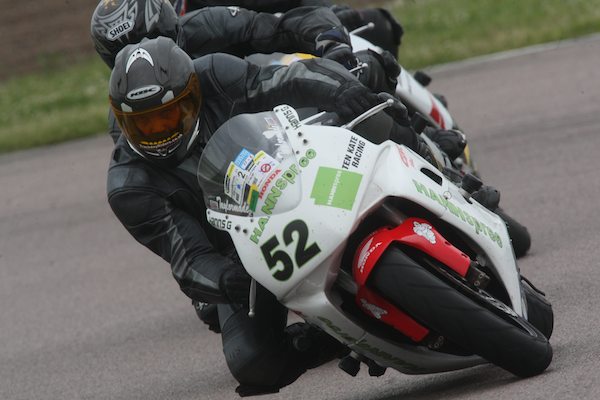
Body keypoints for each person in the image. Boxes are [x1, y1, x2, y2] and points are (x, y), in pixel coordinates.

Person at [107, 36, 424, 396]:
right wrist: (225, 279)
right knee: (253, 361)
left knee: (366, 97)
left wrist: (342, 91)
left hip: (295, 169)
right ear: (123, 122)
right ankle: (336, 337)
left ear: (191, 94)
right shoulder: (129, 187)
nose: (159, 131)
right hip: (241, 248)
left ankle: (442, 171)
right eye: (145, 125)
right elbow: (187, 258)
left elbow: (287, 79)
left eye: (167, 115)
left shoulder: (215, 75)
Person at [91, 0, 359, 143]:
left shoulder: (208, 24)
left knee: (365, 68)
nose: (145, 58)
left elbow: (282, 27)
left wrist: (332, 43)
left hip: (274, 91)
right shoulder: (125, 122)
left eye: (151, 42)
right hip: (236, 160)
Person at [174, 0, 404, 57]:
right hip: (228, 103)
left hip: (268, 62)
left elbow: (263, 26)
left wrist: (329, 15)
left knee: (375, 24)